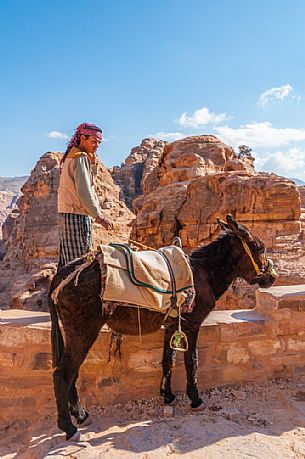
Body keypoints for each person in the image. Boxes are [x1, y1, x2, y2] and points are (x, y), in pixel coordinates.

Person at [57, 122, 113, 270]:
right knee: (79, 264)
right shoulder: (80, 158)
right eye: (94, 141)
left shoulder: (73, 156)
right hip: (77, 215)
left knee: (68, 261)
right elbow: (84, 190)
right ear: (83, 137)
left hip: (68, 214)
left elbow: (87, 182)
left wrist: (93, 162)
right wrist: (98, 216)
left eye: (99, 142)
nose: (97, 145)